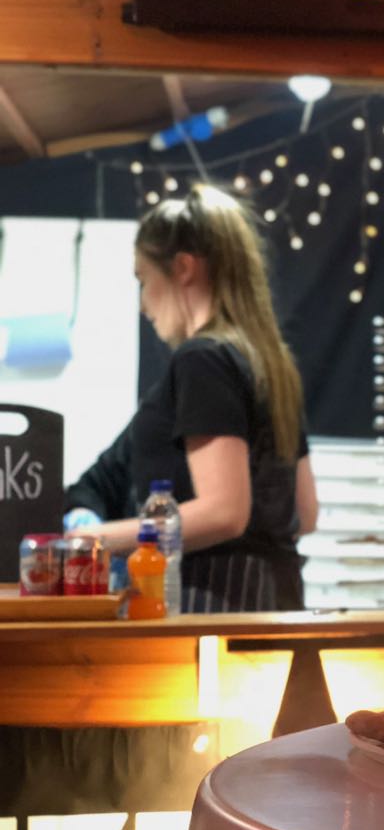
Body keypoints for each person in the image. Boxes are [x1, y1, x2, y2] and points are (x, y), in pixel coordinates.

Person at [65, 185, 318, 612]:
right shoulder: (272, 366)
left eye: (143, 280)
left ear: (183, 268)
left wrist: (93, 539)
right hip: (277, 602)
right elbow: (305, 514)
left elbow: (225, 513)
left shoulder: (202, 359)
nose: (143, 304)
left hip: (213, 607)